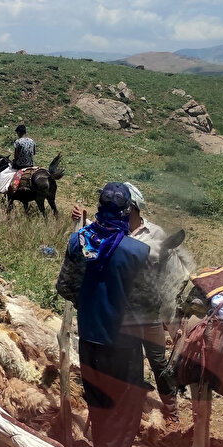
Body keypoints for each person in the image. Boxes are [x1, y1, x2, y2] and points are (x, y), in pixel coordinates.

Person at [55, 182, 149, 447]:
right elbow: (146, 301)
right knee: (127, 401)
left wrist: (90, 303)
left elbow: (65, 287)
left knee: (97, 397)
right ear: (126, 212)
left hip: (89, 336)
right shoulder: (137, 251)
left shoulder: (78, 242)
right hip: (123, 343)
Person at [71, 182, 180, 427]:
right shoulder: (107, 230)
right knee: (120, 363)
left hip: (147, 310)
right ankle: (117, 416)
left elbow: (167, 269)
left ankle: (171, 409)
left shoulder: (155, 234)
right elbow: (87, 244)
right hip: (118, 311)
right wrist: (82, 219)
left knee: (158, 360)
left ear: (135, 209)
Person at [0, 124, 36, 193]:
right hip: (30, 165)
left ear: (19, 132)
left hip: (20, 165)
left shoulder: (18, 142)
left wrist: (14, 160)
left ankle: (3, 189)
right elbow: (34, 153)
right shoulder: (32, 141)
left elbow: (16, 156)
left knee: (4, 173)